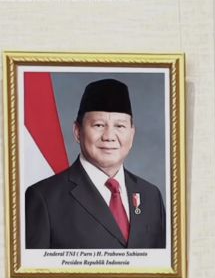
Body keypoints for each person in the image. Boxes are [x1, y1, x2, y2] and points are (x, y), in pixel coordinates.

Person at [25, 78, 166, 249]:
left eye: (120, 126)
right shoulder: (44, 198)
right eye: (99, 125)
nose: (109, 136)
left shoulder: (151, 195)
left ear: (132, 133)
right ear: (78, 132)